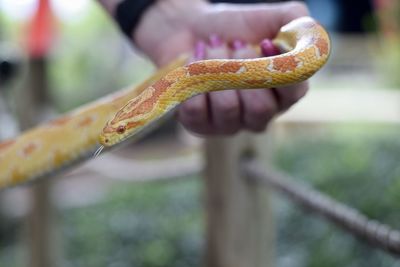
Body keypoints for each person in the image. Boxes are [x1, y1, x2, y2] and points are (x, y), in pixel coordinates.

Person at [98, 0, 309, 135]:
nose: (108, 137)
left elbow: (306, 37)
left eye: (122, 128)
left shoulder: (165, 89)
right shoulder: (165, 89)